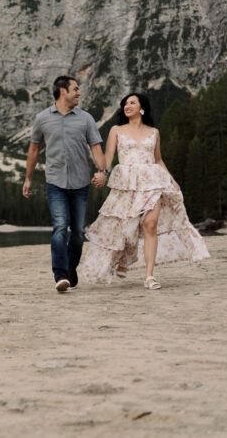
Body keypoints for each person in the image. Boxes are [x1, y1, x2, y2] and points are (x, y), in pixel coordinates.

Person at [79, 93, 210, 289]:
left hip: (153, 181)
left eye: (132, 102)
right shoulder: (116, 130)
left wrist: (171, 179)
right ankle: (123, 260)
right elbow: (108, 157)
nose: (127, 106)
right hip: (127, 183)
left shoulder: (154, 132)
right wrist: (102, 173)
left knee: (150, 224)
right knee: (124, 228)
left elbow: (158, 159)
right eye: (125, 103)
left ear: (142, 107)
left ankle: (149, 276)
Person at [23, 76, 108, 293]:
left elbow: (96, 148)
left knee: (78, 232)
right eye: (75, 89)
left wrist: (102, 171)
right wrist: (28, 178)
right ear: (62, 91)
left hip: (80, 183)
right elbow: (33, 151)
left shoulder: (86, 119)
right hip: (55, 183)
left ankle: (71, 268)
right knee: (60, 226)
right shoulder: (42, 118)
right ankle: (60, 274)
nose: (79, 93)